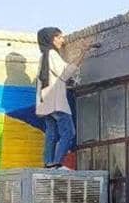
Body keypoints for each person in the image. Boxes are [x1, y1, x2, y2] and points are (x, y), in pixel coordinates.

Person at [35, 27, 94, 168]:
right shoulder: (52, 55)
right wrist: (83, 53)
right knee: (69, 132)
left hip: (45, 104)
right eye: (60, 37)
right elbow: (66, 73)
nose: (63, 40)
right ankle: (56, 163)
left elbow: (53, 79)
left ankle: (48, 163)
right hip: (56, 103)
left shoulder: (43, 56)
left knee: (51, 134)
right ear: (52, 38)